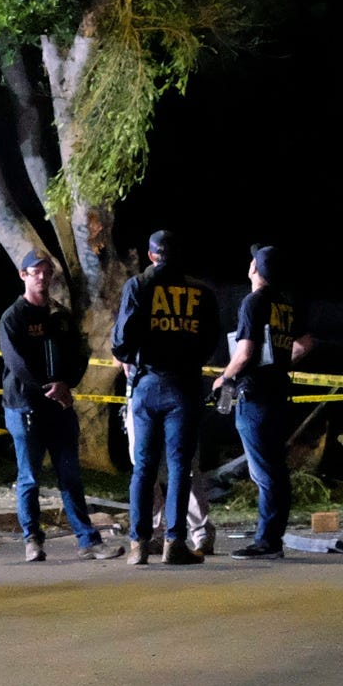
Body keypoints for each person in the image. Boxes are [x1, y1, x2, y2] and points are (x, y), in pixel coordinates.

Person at [110, 230, 220, 566]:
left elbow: (121, 343)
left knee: (142, 468)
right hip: (184, 387)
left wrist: (137, 354)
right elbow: (211, 340)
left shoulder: (139, 286)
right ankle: (175, 542)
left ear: (150, 254)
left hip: (146, 385)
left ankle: (139, 544)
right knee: (180, 468)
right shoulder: (200, 291)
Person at [0, 250, 110, 563]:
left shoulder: (60, 315)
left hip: (59, 407)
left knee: (70, 476)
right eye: (36, 272)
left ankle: (88, 541)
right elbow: (17, 364)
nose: (43, 278)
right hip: (25, 407)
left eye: (47, 272)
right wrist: (49, 388)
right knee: (29, 477)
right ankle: (32, 539)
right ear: (24, 275)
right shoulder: (13, 318)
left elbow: (79, 354)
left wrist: (67, 384)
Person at [217, 244, 312, 558]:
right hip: (278, 395)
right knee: (275, 469)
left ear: (255, 269)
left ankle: (267, 542)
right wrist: (279, 363)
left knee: (265, 473)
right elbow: (305, 343)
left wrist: (224, 378)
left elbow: (244, 353)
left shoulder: (253, 302)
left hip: (255, 397)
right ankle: (272, 537)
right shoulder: (284, 304)